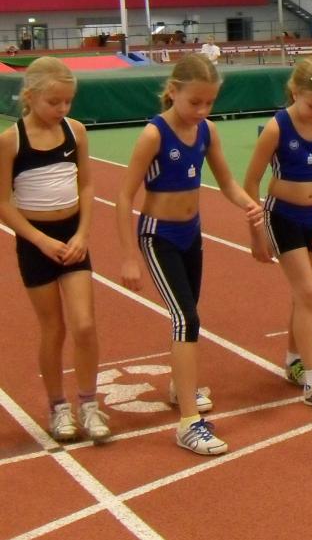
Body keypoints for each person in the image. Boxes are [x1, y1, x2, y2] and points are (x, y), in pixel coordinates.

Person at [116, 53, 262, 455]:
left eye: (209, 102)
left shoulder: (207, 131)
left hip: (190, 233)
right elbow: (125, 196)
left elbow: (227, 182)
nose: (202, 110)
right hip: (159, 235)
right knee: (186, 319)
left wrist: (248, 203)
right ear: (173, 91)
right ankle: (188, 423)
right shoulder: (154, 135)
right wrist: (128, 256)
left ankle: (178, 386)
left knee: (187, 316)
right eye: (194, 102)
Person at [0, 57, 111, 442]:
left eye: (68, 101)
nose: (62, 108)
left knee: (84, 324)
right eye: (54, 102)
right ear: (30, 97)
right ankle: (57, 406)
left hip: (72, 237)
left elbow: (86, 186)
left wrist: (82, 234)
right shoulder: (12, 140)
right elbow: (3, 202)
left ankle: (89, 404)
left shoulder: (75, 132)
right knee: (54, 327)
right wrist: (39, 240)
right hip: (36, 242)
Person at [244, 56, 312, 411]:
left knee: (306, 294)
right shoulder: (277, 128)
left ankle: (293, 359)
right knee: (307, 293)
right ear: (295, 92)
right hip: (284, 216)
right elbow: (250, 182)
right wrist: (256, 233)